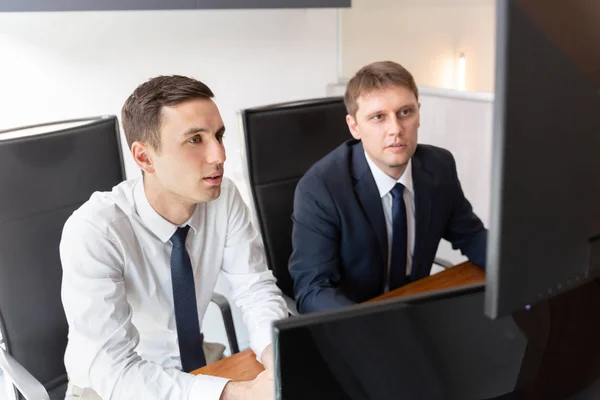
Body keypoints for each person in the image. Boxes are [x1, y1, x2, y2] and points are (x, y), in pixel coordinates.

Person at [60, 75, 287, 399]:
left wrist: (276, 359)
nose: (219, 155)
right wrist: (240, 393)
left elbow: (255, 290)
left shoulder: (223, 197)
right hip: (109, 387)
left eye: (218, 135)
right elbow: (114, 370)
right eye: (195, 140)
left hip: (196, 368)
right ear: (144, 157)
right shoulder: (95, 231)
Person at [289, 61, 487, 314]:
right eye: (378, 117)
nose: (395, 129)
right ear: (354, 126)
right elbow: (314, 289)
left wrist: (518, 267)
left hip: (416, 309)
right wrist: (370, 328)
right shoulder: (320, 188)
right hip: (354, 319)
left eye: (405, 112)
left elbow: (470, 235)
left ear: (419, 114)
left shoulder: (439, 166)